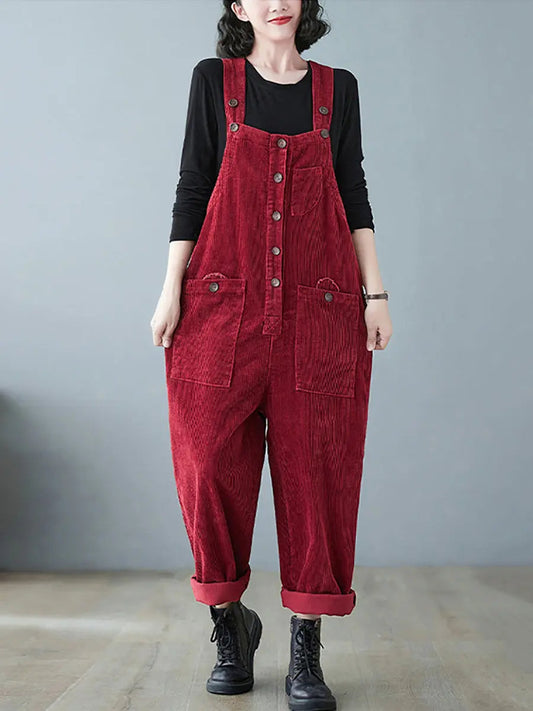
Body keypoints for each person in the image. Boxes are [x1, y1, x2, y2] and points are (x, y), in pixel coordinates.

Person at [150, 1, 392, 709]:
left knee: (318, 473)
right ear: (239, 7)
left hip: (319, 311)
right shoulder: (213, 81)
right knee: (206, 466)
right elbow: (194, 185)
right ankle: (231, 622)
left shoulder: (337, 89)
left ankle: (305, 648)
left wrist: (376, 294)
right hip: (220, 307)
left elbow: (352, 190)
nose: (274, 0)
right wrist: (170, 290)